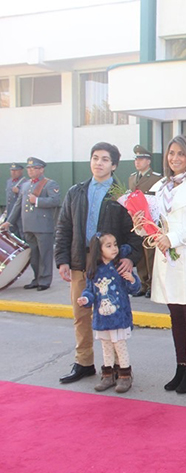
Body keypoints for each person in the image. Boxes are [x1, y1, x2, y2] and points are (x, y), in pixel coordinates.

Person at [55, 142, 143, 384]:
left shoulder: (123, 196)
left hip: (110, 266)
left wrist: (129, 257)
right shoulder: (76, 192)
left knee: (111, 314)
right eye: (95, 158)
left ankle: (118, 367)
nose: (98, 163)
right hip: (80, 261)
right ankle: (84, 363)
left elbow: (136, 232)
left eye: (105, 159)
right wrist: (62, 260)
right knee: (81, 313)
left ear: (114, 165)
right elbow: (64, 227)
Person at [144, 135, 186, 394]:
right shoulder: (160, 186)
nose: (175, 158)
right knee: (175, 315)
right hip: (165, 257)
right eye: (171, 153)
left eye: (181, 153)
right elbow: (153, 221)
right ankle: (180, 366)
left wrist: (171, 239)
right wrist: (142, 226)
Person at [77, 233, 141, 393]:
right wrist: (85, 299)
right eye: (109, 246)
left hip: (119, 317)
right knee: (106, 347)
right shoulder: (94, 271)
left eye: (115, 244)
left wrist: (132, 280)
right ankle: (108, 375)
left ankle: (125, 375)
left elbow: (134, 288)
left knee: (120, 346)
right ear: (99, 250)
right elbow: (90, 291)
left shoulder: (120, 267)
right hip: (102, 318)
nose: (114, 248)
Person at [1, 157, 61, 290]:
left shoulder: (49, 184)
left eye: (34, 168)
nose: (30, 170)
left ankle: (44, 280)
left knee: (44, 255)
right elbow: (18, 205)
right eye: (29, 168)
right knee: (33, 255)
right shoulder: (25, 185)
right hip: (28, 225)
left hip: (43, 226)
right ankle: (36, 278)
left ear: (41, 170)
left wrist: (37, 201)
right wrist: (9, 221)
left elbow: (55, 200)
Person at [127, 145, 162, 298]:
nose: (137, 162)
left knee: (150, 254)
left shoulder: (156, 178)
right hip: (137, 221)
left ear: (148, 161)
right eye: (136, 159)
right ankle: (143, 283)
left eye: (141, 159)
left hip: (150, 221)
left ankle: (153, 284)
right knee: (140, 254)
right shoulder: (132, 178)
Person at [4, 163, 27, 238]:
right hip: (10, 212)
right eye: (12, 170)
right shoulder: (9, 182)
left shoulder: (25, 182)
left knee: (22, 234)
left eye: (16, 170)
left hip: (20, 214)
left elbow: (27, 197)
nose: (13, 172)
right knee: (11, 235)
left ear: (21, 171)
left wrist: (18, 192)